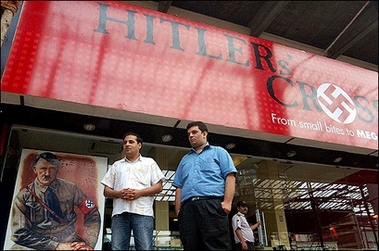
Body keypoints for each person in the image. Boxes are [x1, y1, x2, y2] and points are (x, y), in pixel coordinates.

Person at [10, 152, 101, 250]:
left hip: (69, 239)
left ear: (57, 170)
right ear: (34, 169)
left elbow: (92, 212)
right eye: (43, 169)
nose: (47, 173)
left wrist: (89, 243)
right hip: (38, 243)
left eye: (52, 169)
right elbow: (19, 233)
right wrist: (56, 246)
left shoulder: (71, 189)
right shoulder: (23, 196)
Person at [173, 121, 237, 250]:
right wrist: (179, 210)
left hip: (212, 205)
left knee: (216, 246)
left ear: (204, 133)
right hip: (188, 209)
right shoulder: (185, 159)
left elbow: (230, 176)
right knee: (190, 245)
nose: (191, 136)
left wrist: (227, 202)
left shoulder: (219, 152)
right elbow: (179, 185)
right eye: (189, 134)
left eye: (194, 132)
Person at [101, 132, 165, 250]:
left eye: (131, 142)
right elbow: (106, 191)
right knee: (117, 248)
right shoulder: (116, 165)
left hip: (143, 212)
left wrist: (139, 193)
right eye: (125, 142)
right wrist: (119, 193)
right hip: (120, 213)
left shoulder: (149, 163)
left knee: (145, 248)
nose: (127, 144)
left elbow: (159, 187)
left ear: (139, 145)